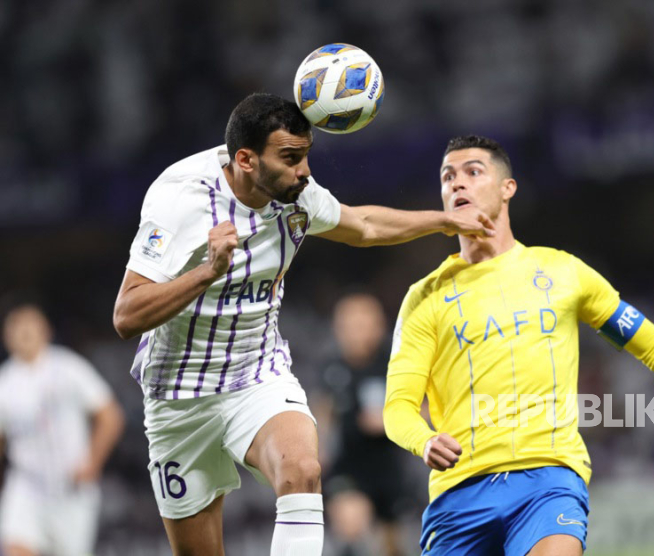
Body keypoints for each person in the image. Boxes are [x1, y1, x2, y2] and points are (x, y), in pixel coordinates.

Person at [112, 93, 494, 556]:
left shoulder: (296, 196)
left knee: (303, 469)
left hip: (257, 376)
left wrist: (444, 221)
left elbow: (364, 225)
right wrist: (207, 273)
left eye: (306, 154)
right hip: (178, 398)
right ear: (246, 159)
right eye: (291, 158)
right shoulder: (181, 199)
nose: (305, 170)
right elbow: (127, 315)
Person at [382, 135, 654, 556]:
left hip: (549, 480)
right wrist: (423, 440)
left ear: (507, 188)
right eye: (448, 177)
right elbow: (398, 407)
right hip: (459, 494)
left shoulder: (564, 273)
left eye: (472, 172)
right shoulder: (424, 297)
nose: (457, 184)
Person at [0, 304, 125, 556]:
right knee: (17, 549)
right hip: (27, 486)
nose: (24, 332)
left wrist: (92, 462)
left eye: (30, 325)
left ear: (46, 330)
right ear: (7, 336)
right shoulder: (5, 381)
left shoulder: (68, 367)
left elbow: (110, 415)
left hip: (71, 489)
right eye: (17, 327)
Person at [319, 292, 413, 556]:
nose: (355, 332)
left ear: (379, 325)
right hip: (348, 467)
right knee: (351, 522)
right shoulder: (331, 368)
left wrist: (392, 420)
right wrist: (318, 449)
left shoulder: (397, 364)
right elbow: (323, 410)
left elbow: (428, 408)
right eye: (348, 325)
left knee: (392, 545)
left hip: (389, 469)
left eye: (363, 324)